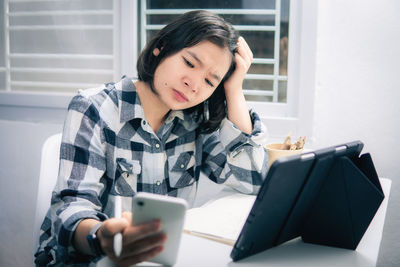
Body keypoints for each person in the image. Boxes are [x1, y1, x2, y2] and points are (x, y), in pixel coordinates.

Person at [35, 10, 268, 266]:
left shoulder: (195, 118)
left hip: (158, 259)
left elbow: (252, 181)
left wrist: (234, 89)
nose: (194, 85)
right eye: (190, 63)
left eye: (210, 81)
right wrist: (104, 237)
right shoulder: (93, 108)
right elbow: (71, 208)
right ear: (161, 48)